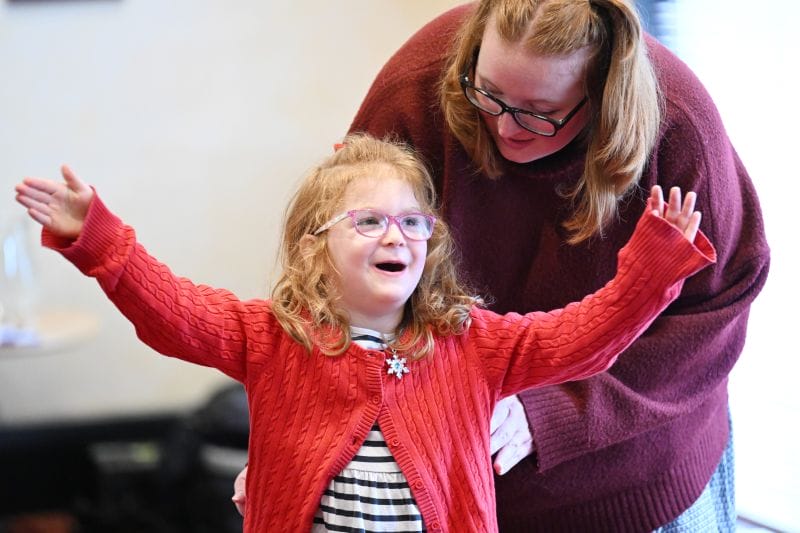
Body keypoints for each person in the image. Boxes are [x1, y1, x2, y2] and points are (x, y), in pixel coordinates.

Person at [232, 1, 771, 531]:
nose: (505, 127)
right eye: (488, 95)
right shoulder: (416, 88)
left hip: (636, 477)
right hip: (452, 486)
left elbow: (713, 315)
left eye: (539, 112)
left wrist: (556, 408)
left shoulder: (679, 127)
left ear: (603, 94)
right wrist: (299, 439)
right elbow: (337, 273)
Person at [14, 133, 713, 532]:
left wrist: (650, 271)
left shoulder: (472, 342)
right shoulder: (274, 336)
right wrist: (101, 241)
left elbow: (584, 334)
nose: (397, 234)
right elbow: (173, 309)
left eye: (413, 221)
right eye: (369, 220)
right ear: (317, 248)